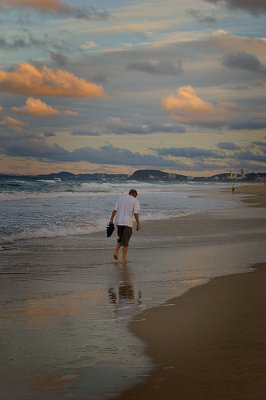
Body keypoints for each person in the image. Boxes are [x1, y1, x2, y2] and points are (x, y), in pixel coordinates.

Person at [109, 189, 140, 262]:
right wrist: (138, 223)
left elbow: (114, 210)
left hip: (119, 221)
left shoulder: (120, 198)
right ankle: (124, 258)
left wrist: (111, 219)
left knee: (121, 238)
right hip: (127, 223)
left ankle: (116, 252)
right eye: (136, 196)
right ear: (135, 194)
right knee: (126, 241)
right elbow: (136, 213)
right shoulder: (135, 201)